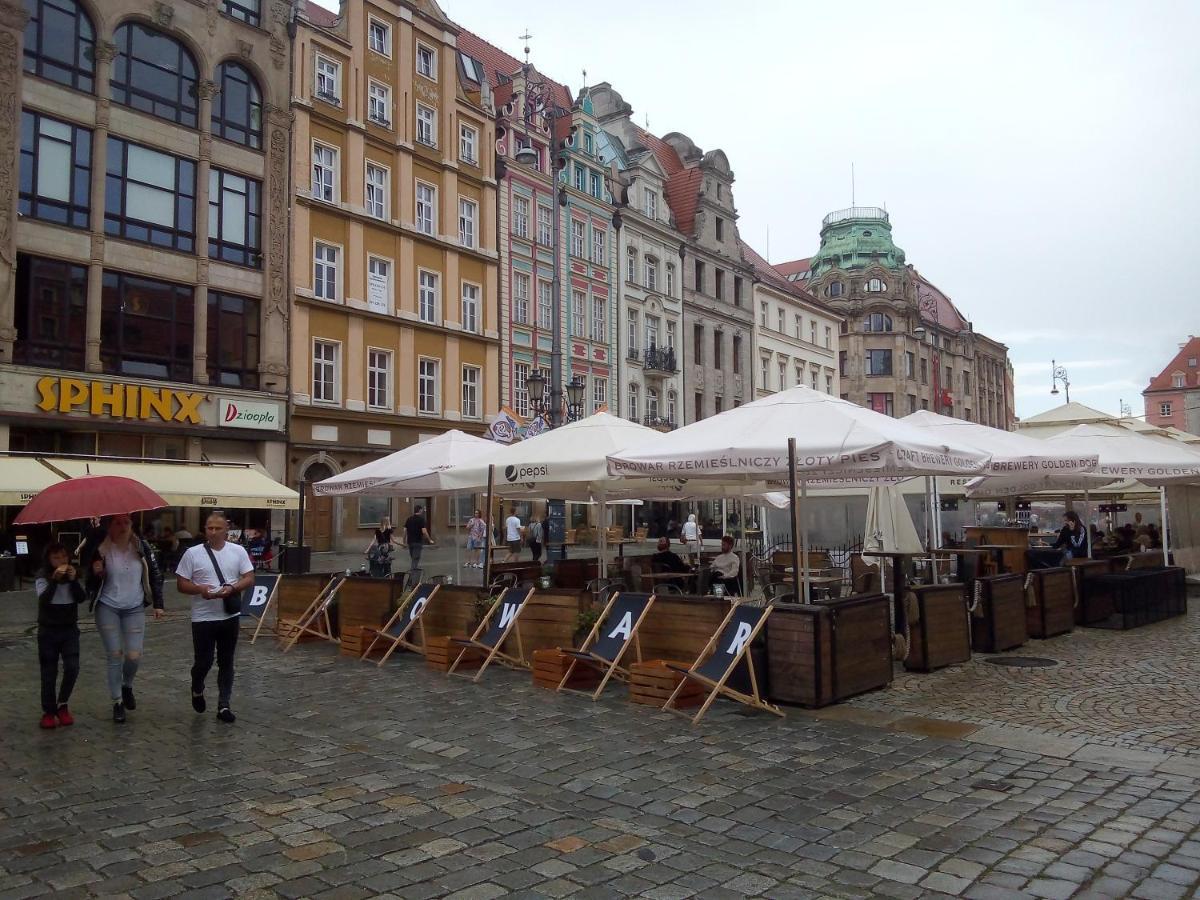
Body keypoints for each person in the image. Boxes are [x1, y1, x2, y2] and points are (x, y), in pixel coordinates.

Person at [175, 512, 255, 723]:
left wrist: (233, 587)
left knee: (226, 661)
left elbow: (249, 577)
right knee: (204, 661)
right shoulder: (192, 553)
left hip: (229, 614)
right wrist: (199, 589)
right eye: (209, 528)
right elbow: (181, 584)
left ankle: (224, 704)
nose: (213, 532)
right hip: (203, 617)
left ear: (226, 530)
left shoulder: (237, 551)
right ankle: (197, 686)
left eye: (217, 528)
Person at [86, 514, 165, 723]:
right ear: (110, 526)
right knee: (114, 654)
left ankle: (127, 685)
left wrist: (158, 603)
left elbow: (155, 574)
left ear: (132, 525)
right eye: (117, 523)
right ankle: (117, 702)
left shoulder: (141, 546)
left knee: (133, 655)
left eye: (126, 523)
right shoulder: (101, 547)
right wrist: (96, 572)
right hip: (107, 606)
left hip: (134, 607)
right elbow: (87, 579)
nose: (122, 527)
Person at [35, 543, 86, 729]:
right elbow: (44, 600)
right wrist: (55, 581)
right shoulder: (42, 576)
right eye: (56, 557)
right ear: (48, 559)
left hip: (69, 629)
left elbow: (82, 598)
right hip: (48, 630)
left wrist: (73, 580)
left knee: (72, 667)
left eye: (64, 556)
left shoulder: (73, 573)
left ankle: (62, 704)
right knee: (49, 672)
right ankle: (48, 711)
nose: (61, 561)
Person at [404, 505, 435, 574]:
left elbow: (405, 531)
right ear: (420, 510)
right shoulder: (421, 520)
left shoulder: (409, 519)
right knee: (415, 559)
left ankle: (413, 571)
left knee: (413, 559)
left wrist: (404, 541)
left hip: (410, 542)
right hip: (417, 542)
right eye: (422, 510)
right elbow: (424, 531)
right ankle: (412, 576)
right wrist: (429, 539)